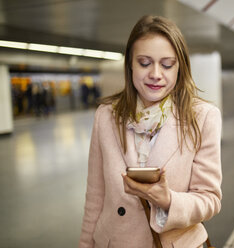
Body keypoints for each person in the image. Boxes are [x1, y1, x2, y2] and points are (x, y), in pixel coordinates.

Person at [79, 15, 222, 248]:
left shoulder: (202, 117)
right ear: (130, 65)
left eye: (167, 64)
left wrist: (168, 200)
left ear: (180, 67)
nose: (156, 74)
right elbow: (95, 197)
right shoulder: (106, 115)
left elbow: (210, 199)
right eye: (145, 63)